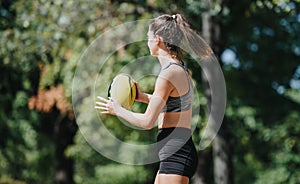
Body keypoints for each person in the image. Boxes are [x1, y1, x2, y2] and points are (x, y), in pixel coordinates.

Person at [95, 14, 213, 184]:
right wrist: (143, 97)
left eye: (148, 38)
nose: (147, 42)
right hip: (175, 151)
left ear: (157, 39)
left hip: (176, 154)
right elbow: (174, 105)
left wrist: (118, 110)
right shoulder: (180, 69)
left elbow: (147, 121)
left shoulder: (168, 74)